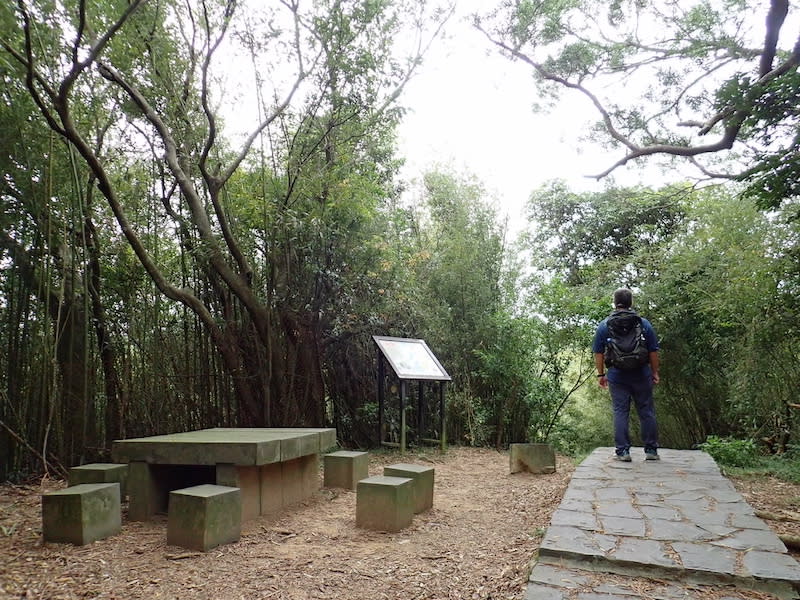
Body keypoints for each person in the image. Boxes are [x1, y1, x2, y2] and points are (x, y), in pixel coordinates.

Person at [592, 288, 661, 462]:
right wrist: (654, 371)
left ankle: (623, 452)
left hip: (617, 375)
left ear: (615, 303)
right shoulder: (643, 323)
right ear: (631, 302)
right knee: (646, 410)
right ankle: (651, 450)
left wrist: (601, 375)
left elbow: (598, 353)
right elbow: (653, 351)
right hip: (641, 373)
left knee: (620, 411)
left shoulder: (605, 325)